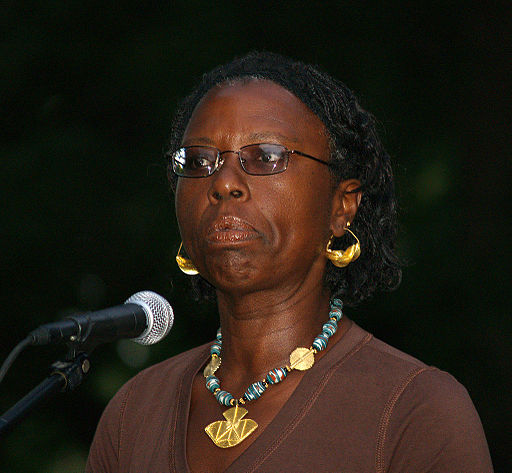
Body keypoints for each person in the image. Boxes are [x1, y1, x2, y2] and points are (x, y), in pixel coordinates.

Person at [86, 52, 493, 472]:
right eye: (200, 162)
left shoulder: (415, 410)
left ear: (341, 206)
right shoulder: (132, 415)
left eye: (265, 156)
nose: (223, 183)